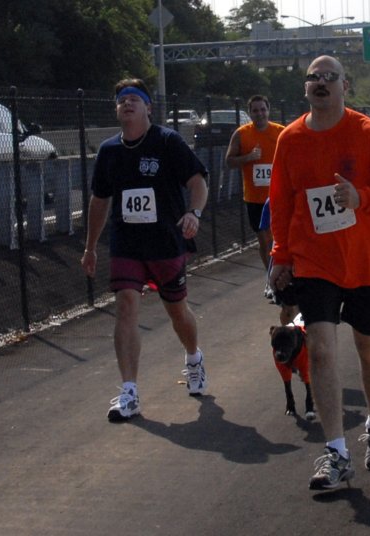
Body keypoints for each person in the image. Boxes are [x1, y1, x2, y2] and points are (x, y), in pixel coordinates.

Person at [268, 56, 370, 490]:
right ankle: (335, 452)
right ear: (306, 88)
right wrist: (281, 254)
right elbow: (281, 202)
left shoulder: (367, 133)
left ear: (344, 86)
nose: (320, 83)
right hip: (315, 264)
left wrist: (361, 198)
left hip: (368, 262)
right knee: (323, 350)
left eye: (329, 77)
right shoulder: (291, 139)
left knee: (369, 349)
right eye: (313, 77)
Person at [81, 78, 209, 422]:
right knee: (125, 305)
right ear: (116, 109)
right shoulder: (109, 152)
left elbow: (198, 181)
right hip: (127, 244)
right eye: (122, 99)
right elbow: (99, 200)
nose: (128, 104)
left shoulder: (167, 142)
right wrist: (91, 247)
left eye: (135, 99)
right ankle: (129, 392)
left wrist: (193, 213)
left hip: (166, 242)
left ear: (148, 107)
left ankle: (194, 357)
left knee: (177, 311)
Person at [226, 95, 286, 300]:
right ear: (249, 113)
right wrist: (248, 158)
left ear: (269, 110)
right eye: (255, 110)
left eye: (263, 109)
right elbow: (229, 161)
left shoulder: (280, 132)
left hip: (279, 196)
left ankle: (284, 278)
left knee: (280, 239)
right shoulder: (241, 135)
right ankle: (270, 278)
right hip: (254, 198)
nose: (259, 114)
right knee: (265, 240)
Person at [258, 198, 299, 326]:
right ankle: (288, 340)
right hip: (285, 256)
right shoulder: (272, 201)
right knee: (289, 306)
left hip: (308, 256)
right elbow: (267, 237)